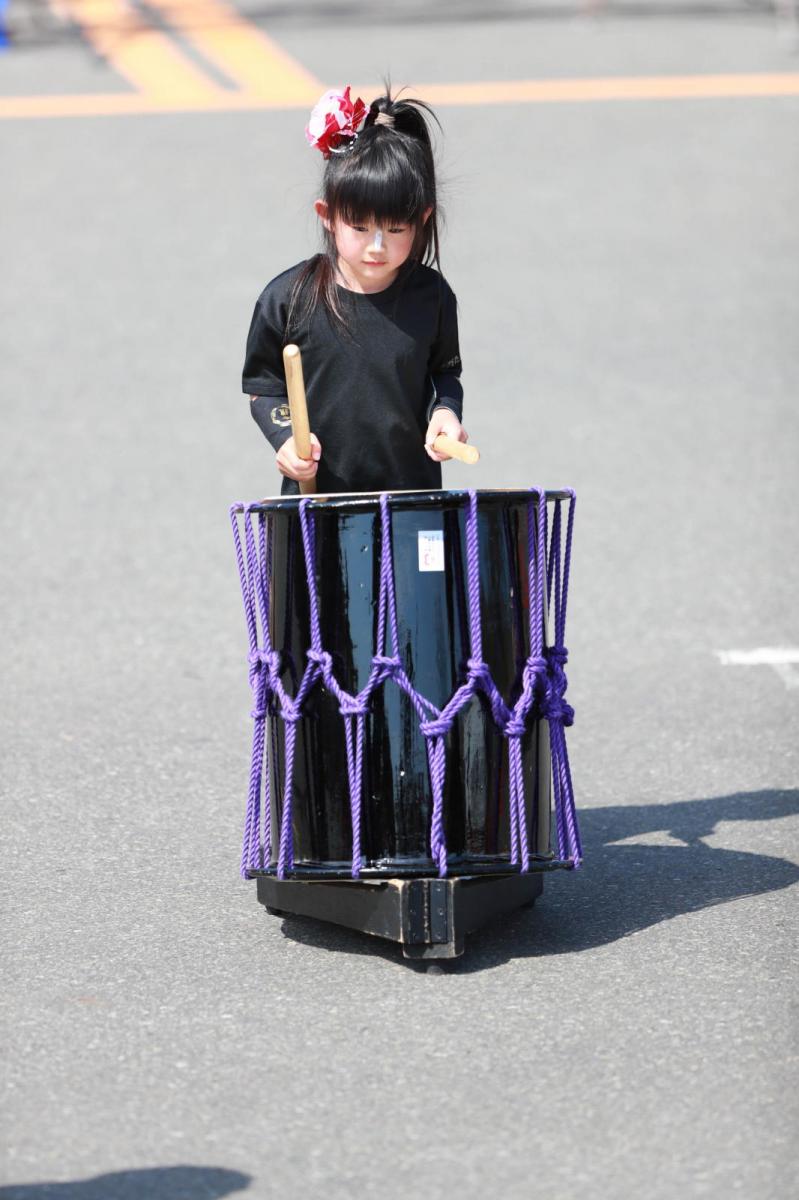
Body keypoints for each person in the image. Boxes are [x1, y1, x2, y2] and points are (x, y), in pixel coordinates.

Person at [242, 85, 468, 495]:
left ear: (422, 218)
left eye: (396, 229)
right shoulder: (288, 299)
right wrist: (286, 440)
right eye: (360, 228)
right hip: (318, 504)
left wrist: (446, 412)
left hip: (409, 498)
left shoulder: (432, 296)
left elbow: (444, 371)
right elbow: (265, 389)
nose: (377, 246)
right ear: (327, 216)